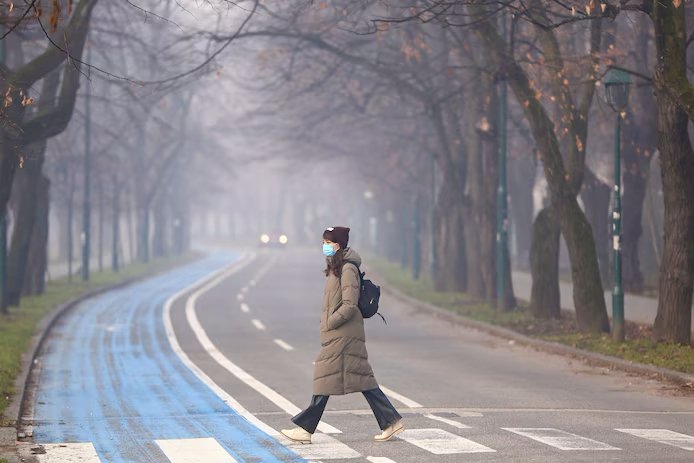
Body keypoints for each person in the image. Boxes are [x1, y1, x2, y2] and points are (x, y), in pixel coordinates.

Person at [281, 226, 404, 444]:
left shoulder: (347, 269)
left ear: (339, 245)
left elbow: (348, 305)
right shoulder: (337, 267)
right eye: (324, 242)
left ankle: (305, 429)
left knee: (325, 377)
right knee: (361, 379)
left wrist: (330, 322)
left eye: (328, 243)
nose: (325, 246)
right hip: (340, 334)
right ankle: (391, 421)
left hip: (344, 334)